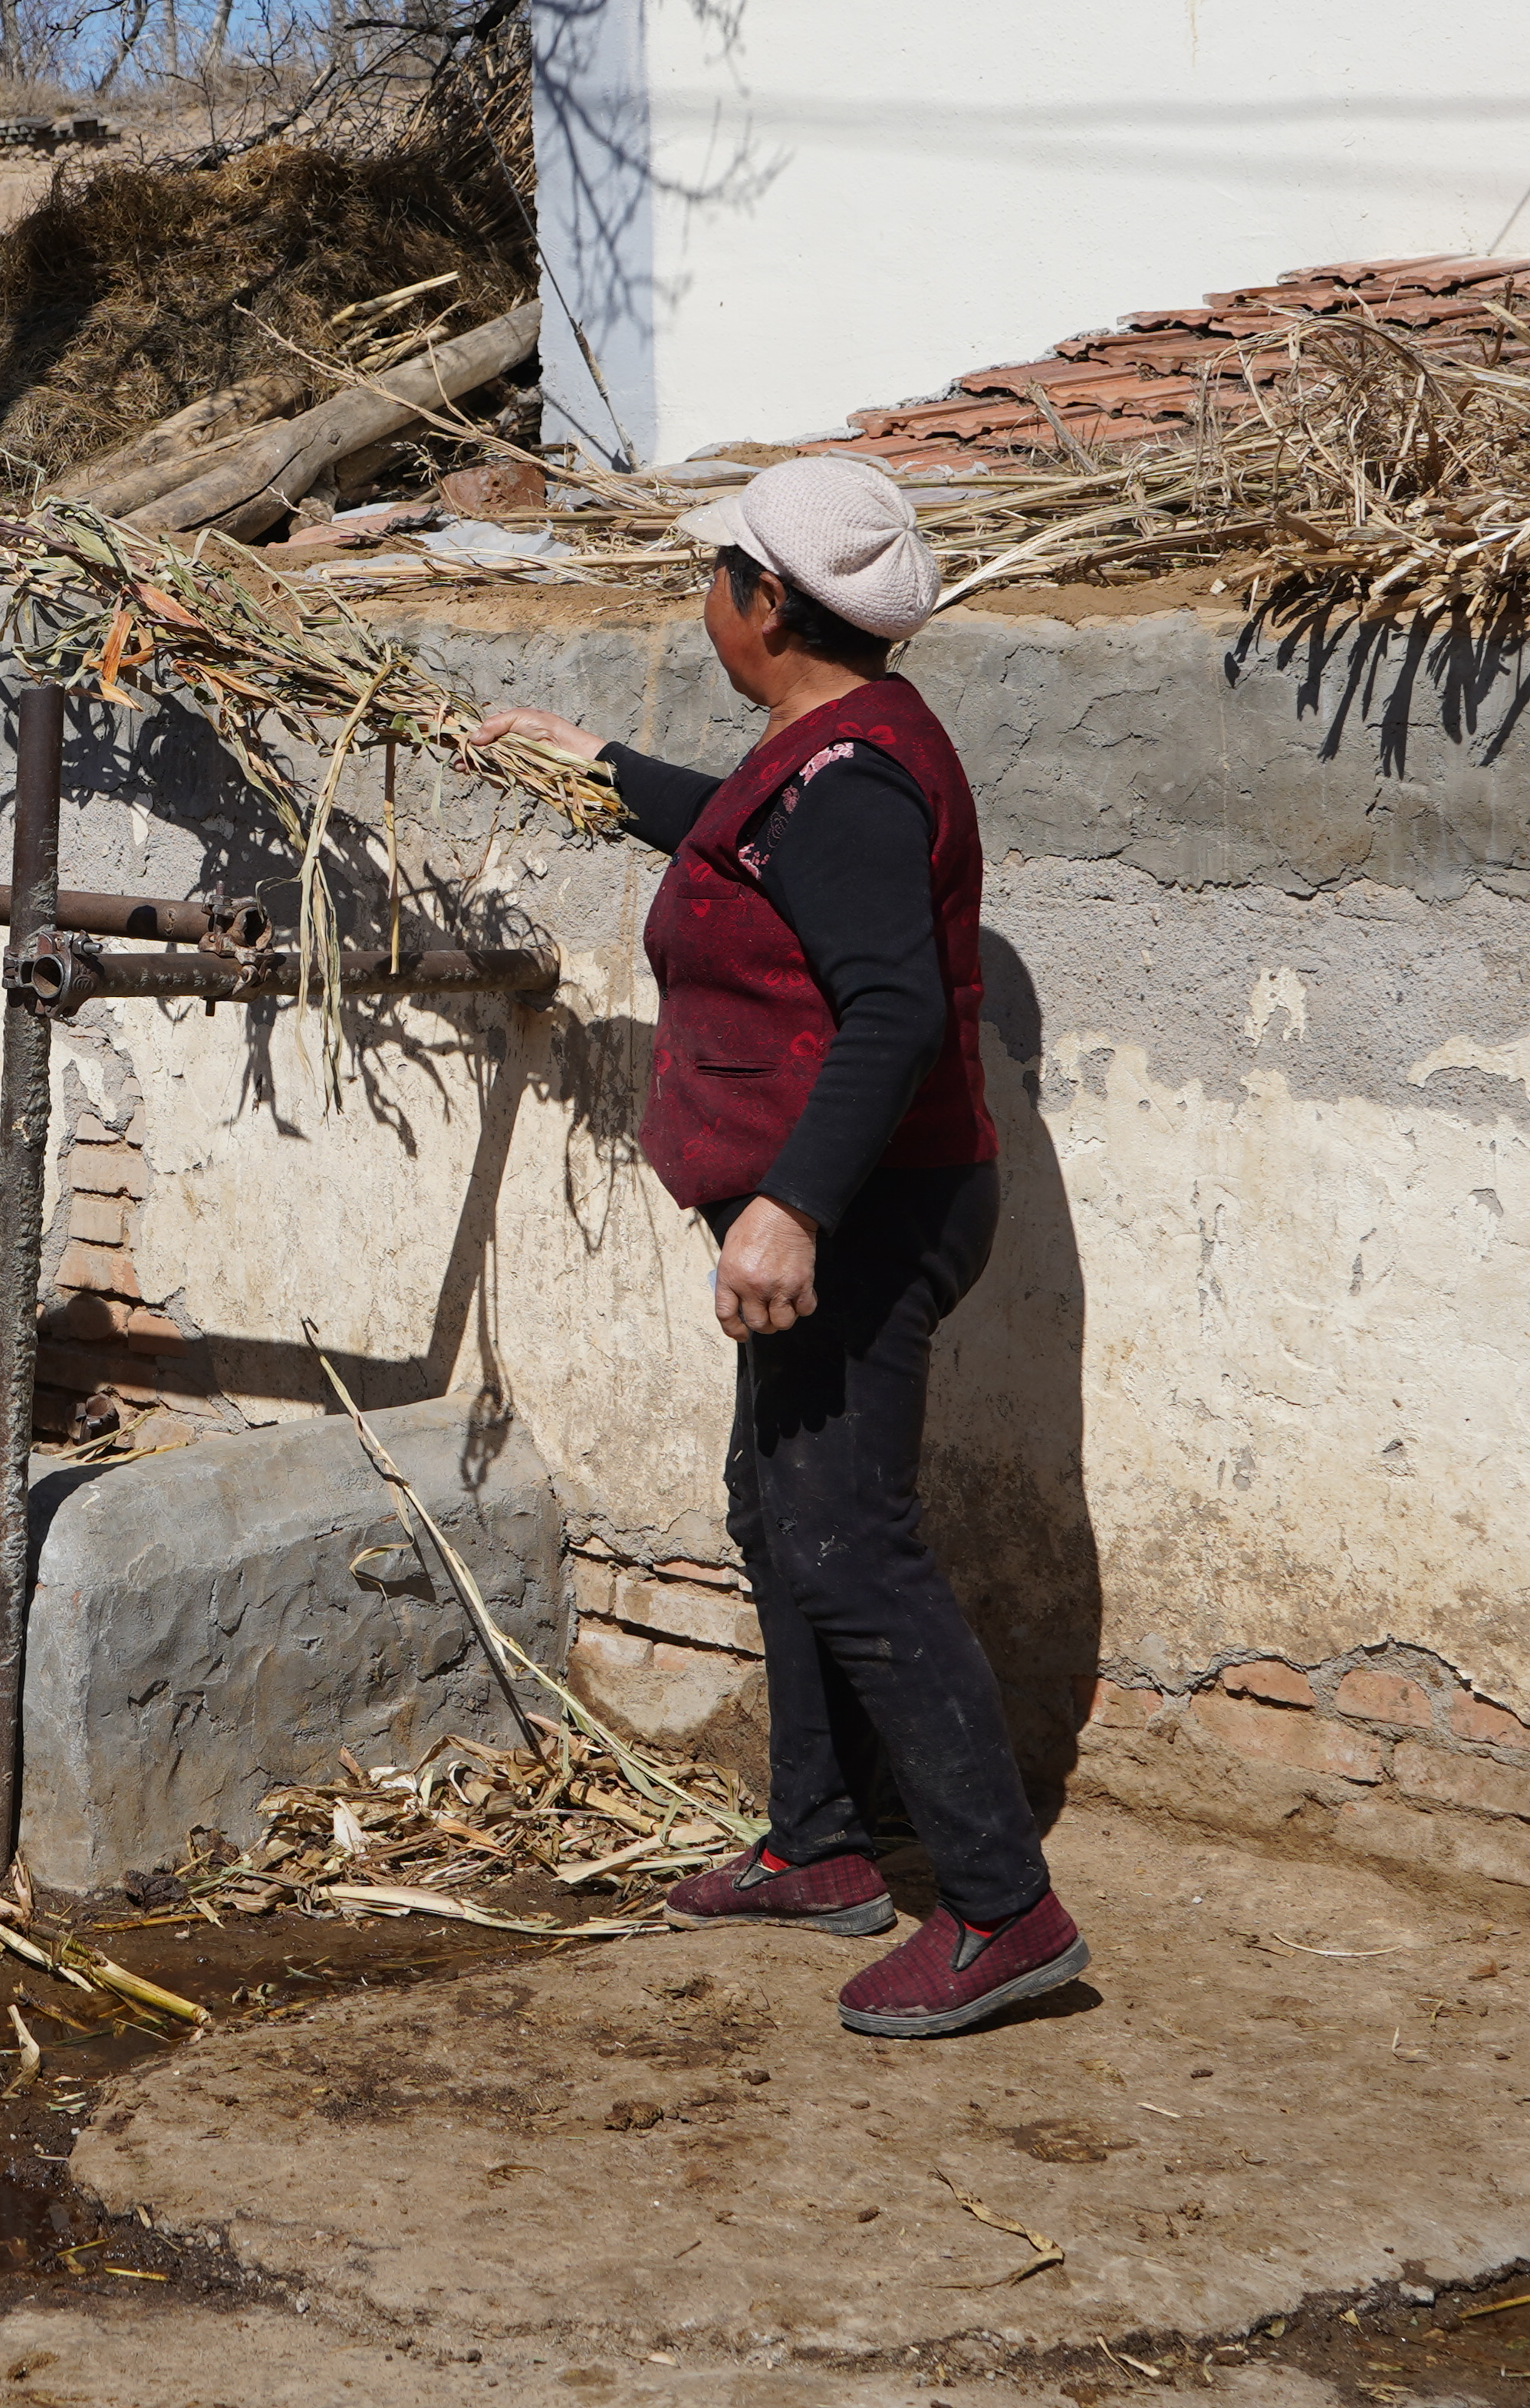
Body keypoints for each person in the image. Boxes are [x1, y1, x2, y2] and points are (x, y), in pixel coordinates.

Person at [469, 452, 1087, 2038]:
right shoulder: (821, 753)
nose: (707, 600)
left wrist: (790, 1203)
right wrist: (593, 768)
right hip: (831, 1205)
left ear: (764, 605)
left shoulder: (857, 787)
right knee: (779, 1505)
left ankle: (1004, 1910)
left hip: (865, 1213)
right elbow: (746, 836)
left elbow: (885, 1010)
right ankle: (819, 1843)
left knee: (843, 1530)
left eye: (717, 576)